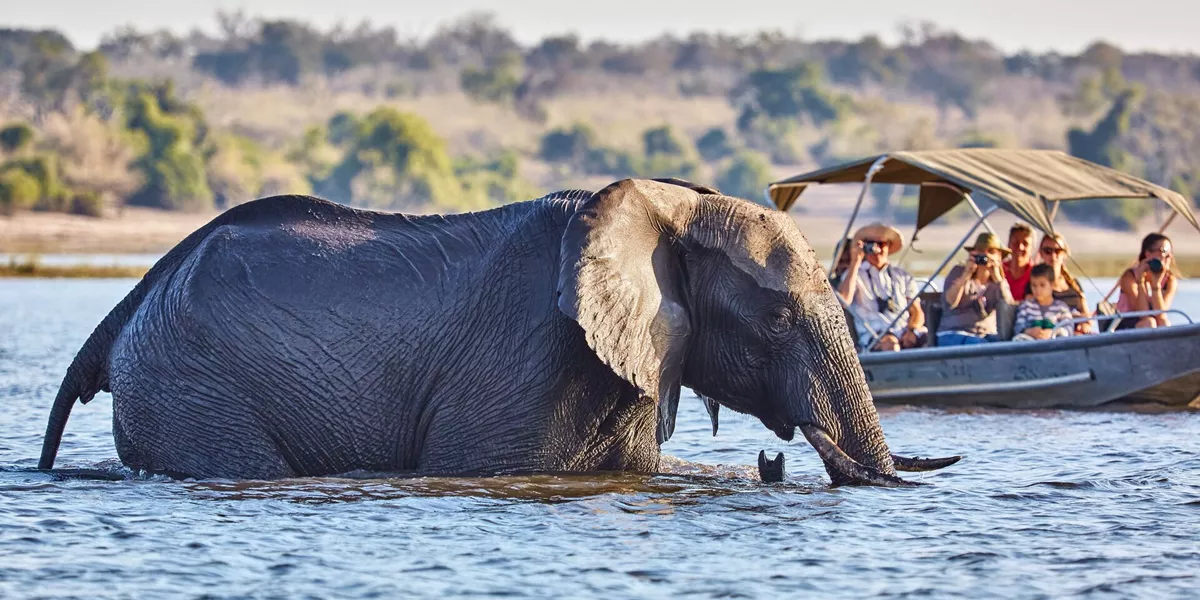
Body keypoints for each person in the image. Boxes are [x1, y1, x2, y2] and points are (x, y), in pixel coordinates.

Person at [836, 222, 927, 351]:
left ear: (889, 246)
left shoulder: (902, 276)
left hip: (903, 332)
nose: (876, 249)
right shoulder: (855, 274)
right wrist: (855, 261)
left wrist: (912, 330)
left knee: (928, 338)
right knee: (891, 344)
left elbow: (917, 311)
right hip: (874, 336)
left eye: (881, 244)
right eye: (871, 244)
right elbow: (843, 301)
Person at [937, 233, 1015, 345]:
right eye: (981, 252)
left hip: (985, 334)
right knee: (982, 346)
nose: (985, 256)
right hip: (954, 333)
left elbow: (1009, 307)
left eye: (991, 252)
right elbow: (950, 302)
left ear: (1000, 257)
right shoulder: (958, 272)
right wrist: (966, 275)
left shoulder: (998, 282)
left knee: (1008, 345)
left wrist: (998, 278)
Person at [1115, 233, 1178, 329]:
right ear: (1148, 253)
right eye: (1164, 251)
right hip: (1127, 322)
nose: (1168, 256)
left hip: (1153, 321)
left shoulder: (1170, 280)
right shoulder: (1130, 276)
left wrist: (1156, 284)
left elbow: (1160, 314)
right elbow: (1142, 314)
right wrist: (1140, 282)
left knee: (1163, 321)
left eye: (1170, 252)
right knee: (1149, 322)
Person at [1035, 233, 1093, 334]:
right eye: (1048, 251)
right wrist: (1073, 317)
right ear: (1041, 253)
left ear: (1064, 254)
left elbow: (1086, 315)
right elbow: (1035, 314)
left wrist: (1085, 324)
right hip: (1052, 333)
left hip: (1077, 333)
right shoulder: (1036, 283)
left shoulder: (1073, 283)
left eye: (1058, 251)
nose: (1053, 256)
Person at [1012, 264, 1075, 341]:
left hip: (1054, 342)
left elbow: (1069, 327)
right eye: (1034, 285)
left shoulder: (1061, 307)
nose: (1037, 290)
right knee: (1018, 339)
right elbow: (1018, 326)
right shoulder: (1026, 306)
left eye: (1042, 285)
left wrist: (1053, 332)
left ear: (1052, 285)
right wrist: (1028, 331)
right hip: (1030, 342)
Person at [1004, 222, 1035, 302]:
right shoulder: (1000, 269)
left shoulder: (1037, 273)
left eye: (1025, 244)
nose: (1020, 247)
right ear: (1008, 245)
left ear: (1032, 248)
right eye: (1016, 243)